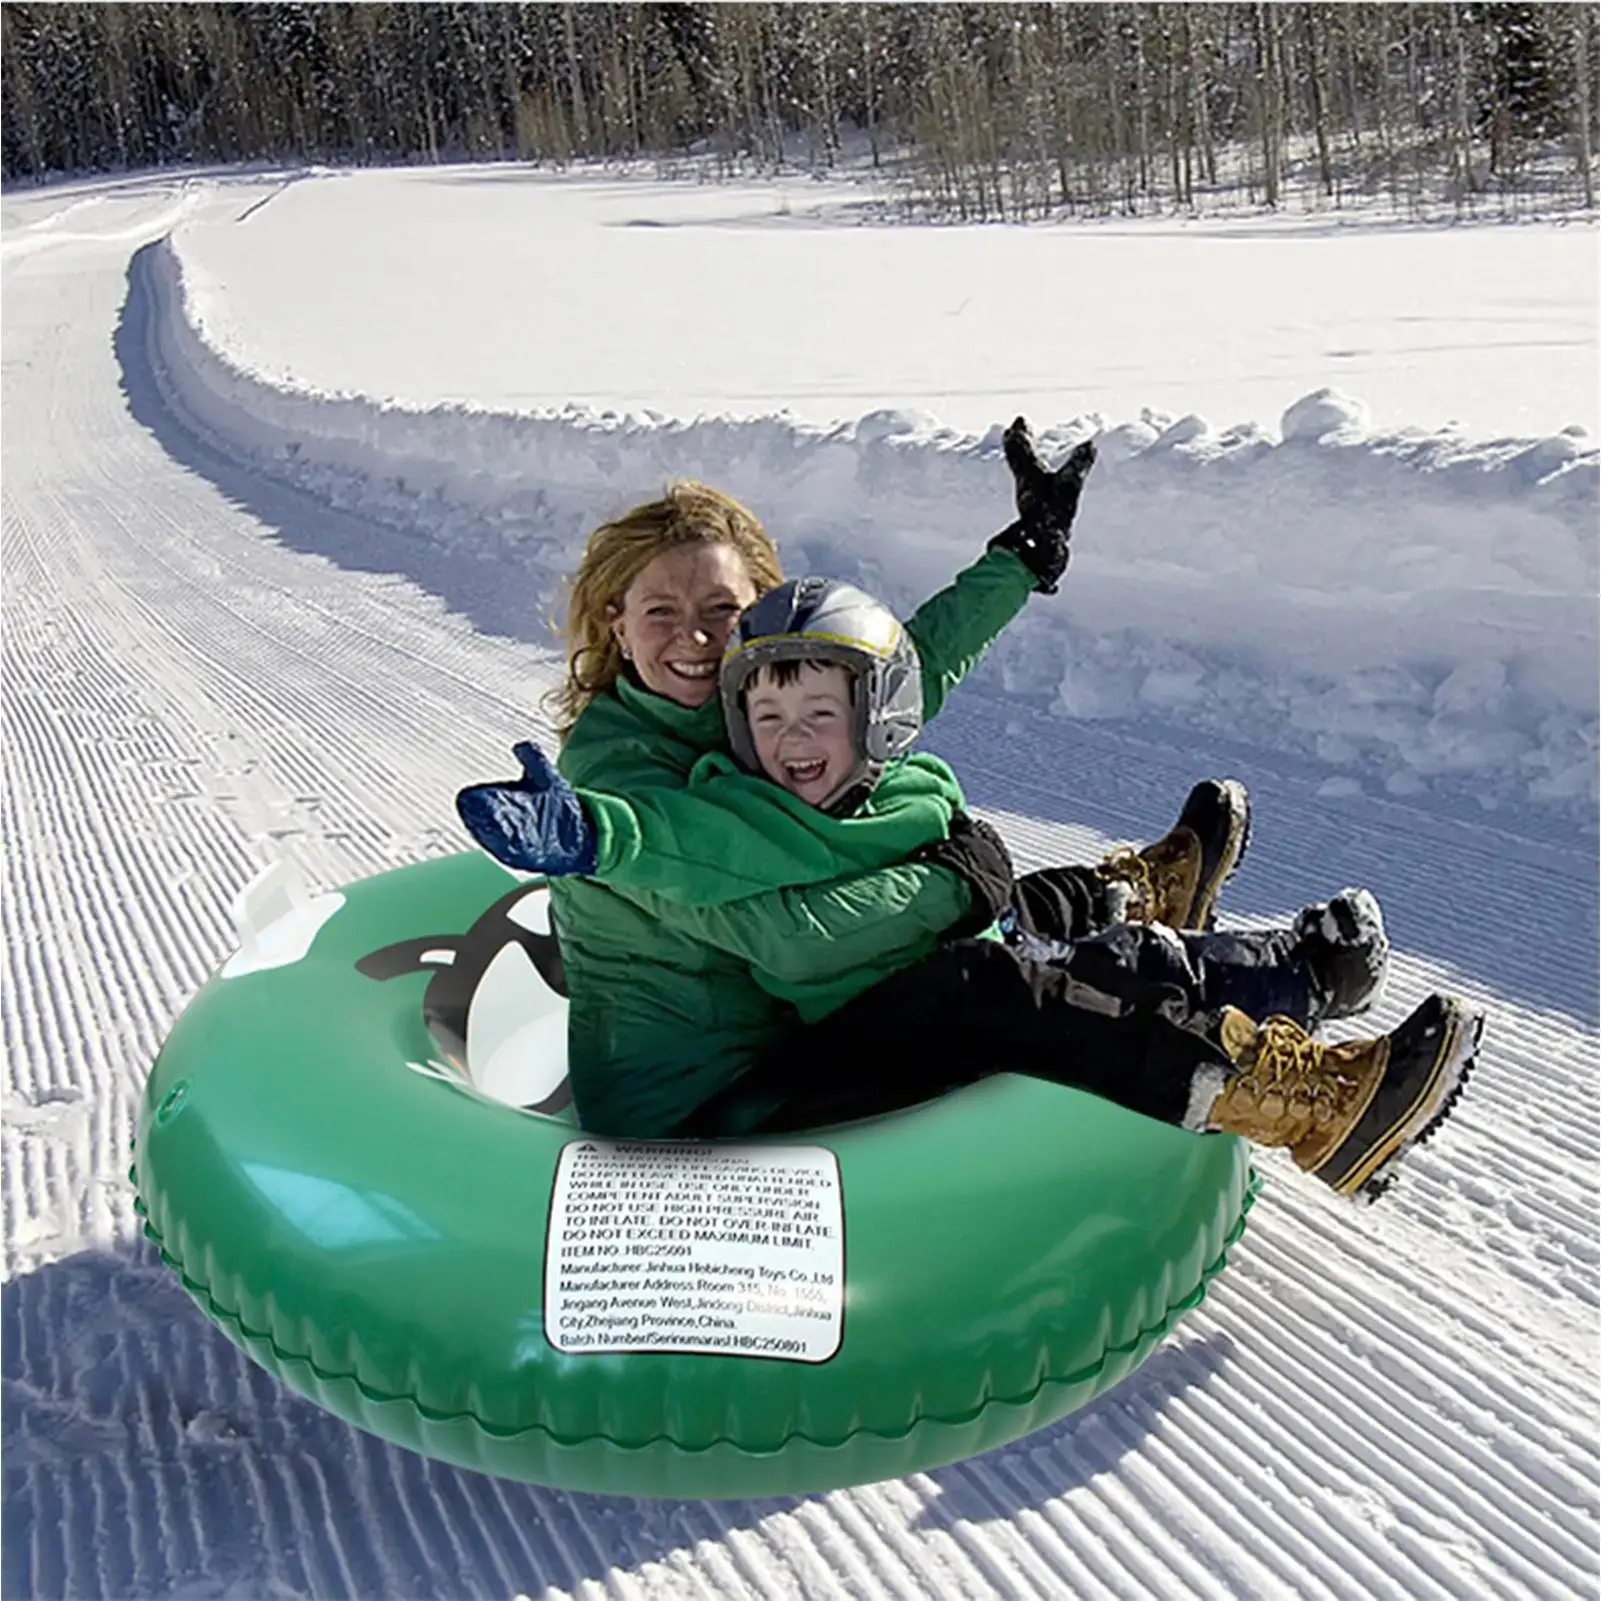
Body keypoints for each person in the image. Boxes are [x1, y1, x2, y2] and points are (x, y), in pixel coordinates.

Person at [463, 575, 1479, 1201]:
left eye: (821, 714)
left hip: (828, 1021)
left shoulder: (865, 766)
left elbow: (915, 658)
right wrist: (586, 833)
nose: (794, 741)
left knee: (1067, 957)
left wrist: (1017, 559)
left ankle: (1290, 977)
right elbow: (754, 908)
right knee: (988, 979)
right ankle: (1300, 1110)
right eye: (768, 720)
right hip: (744, 1107)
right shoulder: (711, 800)